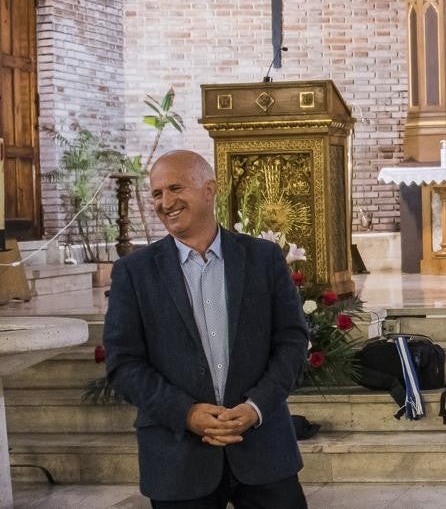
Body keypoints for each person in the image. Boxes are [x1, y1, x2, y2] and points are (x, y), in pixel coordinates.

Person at [104, 150, 310, 507]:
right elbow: (124, 364)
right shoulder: (134, 273)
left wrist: (256, 407)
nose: (165, 202)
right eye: (156, 193)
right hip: (177, 456)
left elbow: (292, 341)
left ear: (209, 189)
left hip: (263, 450)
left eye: (175, 188)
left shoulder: (263, 258)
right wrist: (186, 414)